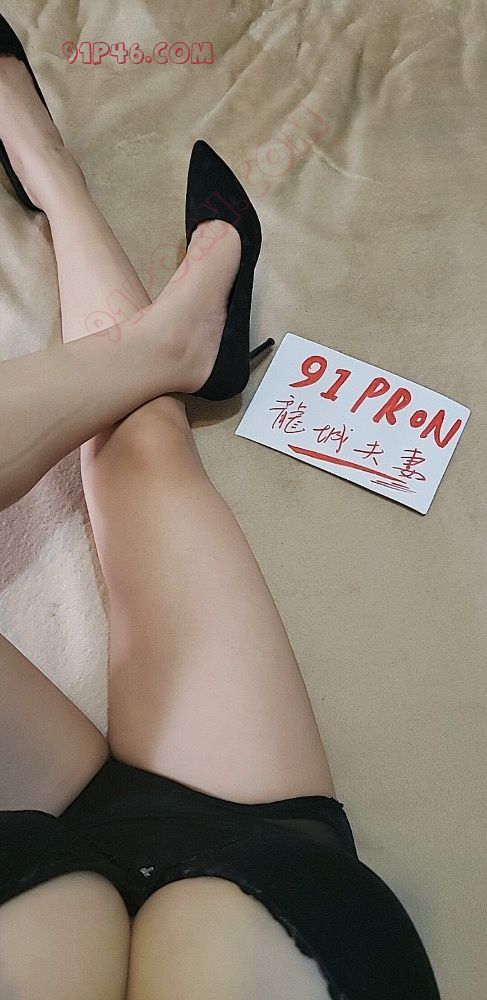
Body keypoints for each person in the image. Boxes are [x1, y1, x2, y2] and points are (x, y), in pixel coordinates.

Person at [0, 19, 441, 1000]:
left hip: (21, 831)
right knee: (143, 450)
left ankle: (109, 260)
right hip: (237, 859)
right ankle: (94, 237)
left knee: (138, 445)